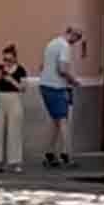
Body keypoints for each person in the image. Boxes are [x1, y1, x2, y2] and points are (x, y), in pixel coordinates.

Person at [39, 26, 82, 168]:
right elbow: (62, 69)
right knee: (63, 121)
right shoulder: (64, 47)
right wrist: (73, 81)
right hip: (57, 87)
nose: (76, 41)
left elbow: (42, 66)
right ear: (70, 33)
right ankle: (67, 154)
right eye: (77, 37)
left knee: (54, 121)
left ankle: (49, 153)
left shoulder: (51, 43)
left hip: (45, 85)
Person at [0, 44, 28, 173]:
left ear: (15, 59)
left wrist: (11, 80)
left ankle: (15, 161)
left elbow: (23, 88)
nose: (7, 63)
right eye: (5, 59)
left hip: (14, 98)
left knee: (14, 131)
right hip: (0, 99)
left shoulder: (20, 70)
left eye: (9, 60)